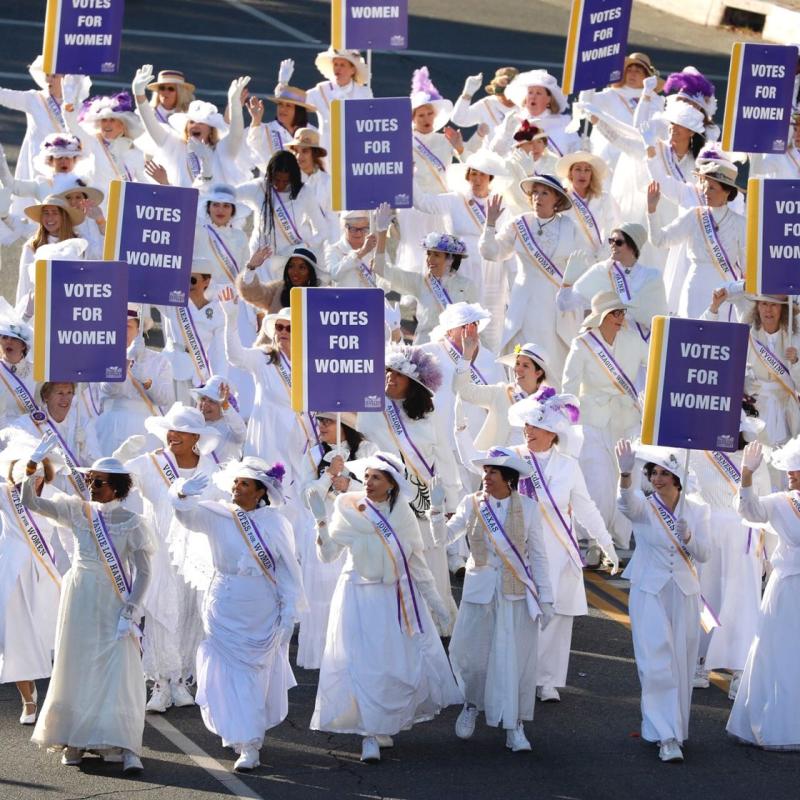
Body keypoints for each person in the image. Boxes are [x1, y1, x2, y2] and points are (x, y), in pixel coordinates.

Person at [309, 452, 462, 763]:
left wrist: (439, 605)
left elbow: (417, 566)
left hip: (392, 601)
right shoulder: (349, 507)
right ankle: (368, 734)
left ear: (392, 485)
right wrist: (320, 523)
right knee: (361, 665)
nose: (367, 482)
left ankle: (382, 724)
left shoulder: (403, 517)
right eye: (366, 476)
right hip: (357, 597)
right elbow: (328, 556)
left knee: (391, 666)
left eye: (376, 477)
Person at [23, 449, 154, 774]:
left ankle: (125, 745)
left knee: (117, 671)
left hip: (113, 601)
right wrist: (32, 470)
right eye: (91, 480)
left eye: (100, 482)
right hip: (79, 596)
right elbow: (32, 504)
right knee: (77, 665)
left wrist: (131, 610)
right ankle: (75, 739)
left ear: (117, 487)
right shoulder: (78, 510)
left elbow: (144, 572)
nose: (92, 486)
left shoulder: (133, 522)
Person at [169, 457, 304, 771]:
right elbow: (185, 517)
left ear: (260, 491)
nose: (236, 488)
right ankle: (237, 730)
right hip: (224, 605)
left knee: (253, 676)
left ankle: (251, 744)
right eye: (235, 482)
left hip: (260, 607)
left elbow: (285, 572)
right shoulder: (218, 515)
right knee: (225, 674)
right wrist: (181, 494)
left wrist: (287, 615)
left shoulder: (275, 523)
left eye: (244, 484)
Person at [435, 446, 554, 751]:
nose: (486, 476)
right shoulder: (471, 503)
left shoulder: (528, 508)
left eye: (493, 472)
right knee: (469, 655)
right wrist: (435, 514)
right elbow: (444, 539)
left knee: (512, 661)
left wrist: (547, 598)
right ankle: (472, 704)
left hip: (514, 594)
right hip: (480, 591)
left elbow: (538, 556)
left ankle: (513, 725)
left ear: (508, 478)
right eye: (485, 471)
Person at [508, 389, 618, 699]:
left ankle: (547, 680)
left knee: (555, 616)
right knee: (522, 613)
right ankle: (518, 673)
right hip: (521, 547)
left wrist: (607, 546)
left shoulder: (568, 466)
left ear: (552, 432)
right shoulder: (513, 458)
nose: (527, 431)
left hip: (558, 550)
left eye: (534, 426)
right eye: (526, 425)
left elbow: (586, 508)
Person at [121, 403, 221, 714]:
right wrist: (122, 455)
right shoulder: (149, 463)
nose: (173, 435)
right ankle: (160, 683)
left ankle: (181, 679)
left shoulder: (210, 469)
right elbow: (114, 479)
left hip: (198, 551)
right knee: (162, 610)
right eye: (170, 430)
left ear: (196, 437)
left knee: (190, 611)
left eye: (181, 431)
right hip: (159, 550)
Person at [615, 439, 710, 763]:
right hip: (649, 591)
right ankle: (665, 735)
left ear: (677, 477)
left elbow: (705, 554)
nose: (656, 479)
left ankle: (675, 729)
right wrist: (625, 475)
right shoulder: (645, 505)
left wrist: (689, 538)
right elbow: (626, 505)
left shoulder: (697, 509)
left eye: (663, 473)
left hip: (684, 592)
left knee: (680, 664)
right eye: (652, 473)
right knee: (656, 662)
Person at [357, 345, 463, 632]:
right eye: (387, 372)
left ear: (413, 384)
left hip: (424, 501)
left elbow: (444, 457)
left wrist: (452, 501)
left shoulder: (429, 416)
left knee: (429, 564)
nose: (390, 377)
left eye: (397, 374)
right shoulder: (373, 407)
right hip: (387, 499)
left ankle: (436, 622)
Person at [689, 408, 771, 695]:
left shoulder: (755, 462)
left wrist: (769, 555)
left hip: (745, 537)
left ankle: (740, 669)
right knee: (706, 596)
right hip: (709, 531)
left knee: (741, 602)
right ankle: (700, 659)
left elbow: (764, 508)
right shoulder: (699, 454)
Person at [728, 439, 800, 750]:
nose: (791, 476)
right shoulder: (781, 502)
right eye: (789, 471)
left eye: (796, 471)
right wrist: (746, 475)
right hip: (786, 588)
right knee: (779, 653)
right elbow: (749, 510)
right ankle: (777, 725)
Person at [563, 292, 648, 551]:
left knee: (627, 479)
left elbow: (658, 365)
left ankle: (619, 540)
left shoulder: (634, 341)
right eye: (615, 313)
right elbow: (569, 387)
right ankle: (591, 539)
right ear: (600, 317)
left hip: (627, 419)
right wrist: (569, 425)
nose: (620, 318)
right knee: (598, 481)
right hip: (592, 421)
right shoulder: (582, 345)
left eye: (622, 312)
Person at [295, 411, 377, 669]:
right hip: (325, 529)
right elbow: (304, 497)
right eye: (319, 420)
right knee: (324, 591)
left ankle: (356, 653)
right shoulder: (313, 454)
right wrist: (327, 476)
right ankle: (328, 659)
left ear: (345, 423)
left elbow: (380, 490)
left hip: (358, 530)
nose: (321, 426)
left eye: (328, 421)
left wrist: (349, 486)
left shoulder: (367, 449)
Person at [479, 174, 581, 373]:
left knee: (554, 357)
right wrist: (490, 223)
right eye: (535, 192)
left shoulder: (569, 227)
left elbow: (582, 264)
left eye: (544, 193)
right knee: (523, 355)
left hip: (554, 304)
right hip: (523, 302)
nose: (538, 197)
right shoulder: (520, 223)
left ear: (557, 200)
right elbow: (491, 252)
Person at [411, 150, 511, 349]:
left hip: (491, 267)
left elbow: (507, 241)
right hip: (461, 265)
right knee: (461, 312)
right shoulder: (456, 200)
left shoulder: (501, 203)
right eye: (473, 173)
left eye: (482, 174)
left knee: (491, 317)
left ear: (490, 177)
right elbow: (423, 203)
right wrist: (410, 175)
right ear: (468, 176)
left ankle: (486, 365)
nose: (477, 179)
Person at [0, 433, 64, 727]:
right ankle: (28, 699)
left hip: (44, 576)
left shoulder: (53, 497)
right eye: (29, 470)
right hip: (11, 572)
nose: (35, 478)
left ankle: (61, 700)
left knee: (53, 636)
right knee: (14, 638)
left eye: (39, 472)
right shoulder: (5, 495)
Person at [705, 293, 800, 485]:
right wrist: (714, 308)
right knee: (756, 461)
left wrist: (796, 362)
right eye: (764, 304)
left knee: (785, 463)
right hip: (754, 410)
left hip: (786, 411)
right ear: (757, 308)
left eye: (774, 305)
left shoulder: (794, 338)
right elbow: (711, 341)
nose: (768, 310)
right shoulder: (745, 335)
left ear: (782, 310)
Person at [647, 158, 745, 320]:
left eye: (712, 188)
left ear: (727, 192)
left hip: (725, 294)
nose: (705, 192)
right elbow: (659, 240)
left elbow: (746, 274)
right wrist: (652, 210)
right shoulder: (694, 216)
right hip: (695, 289)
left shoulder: (741, 224)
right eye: (704, 186)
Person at [133, 64, 250, 188]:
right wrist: (139, 94)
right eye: (192, 122)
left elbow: (236, 134)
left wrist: (234, 104)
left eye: (200, 123)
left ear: (211, 130)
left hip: (213, 207)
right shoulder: (174, 145)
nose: (195, 126)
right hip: (181, 205)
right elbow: (150, 122)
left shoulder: (222, 149)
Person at [558, 222, 667, 346]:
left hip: (639, 346)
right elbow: (564, 304)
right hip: (607, 346)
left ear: (633, 245)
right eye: (611, 241)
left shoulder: (652, 276)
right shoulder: (600, 271)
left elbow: (657, 320)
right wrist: (567, 283)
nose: (613, 245)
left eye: (619, 242)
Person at [375, 219, 478, 345]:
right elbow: (380, 269)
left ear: (450, 259)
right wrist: (381, 234)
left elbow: (476, 325)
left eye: (436, 255)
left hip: (454, 349)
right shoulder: (420, 281)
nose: (430, 259)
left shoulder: (466, 285)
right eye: (428, 254)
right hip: (425, 347)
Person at [95, 306, 175, 455]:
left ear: (139, 330)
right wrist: (127, 359)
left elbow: (165, 398)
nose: (121, 331)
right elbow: (109, 388)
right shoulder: (104, 355)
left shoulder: (160, 360)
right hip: (113, 425)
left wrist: (147, 382)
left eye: (127, 326)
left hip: (146, 427)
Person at [0, 55, 90, 183]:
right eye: (47, 75)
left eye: (54, 76)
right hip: (38, 168)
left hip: (68, 168)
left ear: (67, 79)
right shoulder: (34, 99)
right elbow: (3, 95)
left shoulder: (78, 106)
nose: (48, 80)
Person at [457, 342, 557, 451]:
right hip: (496, 464)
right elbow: (462, 390)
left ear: (538, 373)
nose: (518, 369)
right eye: (517, 363)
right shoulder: (501, 392)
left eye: (525, 365)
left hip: (530, 465)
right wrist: (466, 356)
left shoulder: (549, 404)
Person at [237, 150, 327, 269]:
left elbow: (323, 230)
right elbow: (227, 195)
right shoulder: (259, 187)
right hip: (260, 261)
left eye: (286, 181)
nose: (280, 185)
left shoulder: (304, 192)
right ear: (270, 174)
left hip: (289, 261)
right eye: (276, 179)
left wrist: (304, 246)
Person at [281, 49, 371, 152]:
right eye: (335, 64)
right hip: (327, 150)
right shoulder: (322, 90)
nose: (338, 68)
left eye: (342, 65)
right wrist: (283, 84)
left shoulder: (364, 93)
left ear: (353, 70)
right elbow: (297, 99)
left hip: (355, 147)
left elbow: (370, 122)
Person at [64, 92, 146, 191]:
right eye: (104, 120)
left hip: (121, 202)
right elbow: (74, 128)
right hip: (98, 201)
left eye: (112, 120)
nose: (107, 125)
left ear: (122, 125)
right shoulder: (93, 142)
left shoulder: (135, 151)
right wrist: (69, 110)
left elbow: (143, 182)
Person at [490, 69, 577, 157]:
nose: (533, 97)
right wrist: (506, 133)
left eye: (538, 93)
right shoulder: (513, 120)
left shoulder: (563, 124)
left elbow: (575, 153)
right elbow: (495, 153)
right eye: (530, 92)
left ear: (549, 99)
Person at [18, 195, 84, 307]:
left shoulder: (79, 244)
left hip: (71, 308)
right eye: (46, 213)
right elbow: (25, 286)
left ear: (64, 216)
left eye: (54, 213)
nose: (50, 218)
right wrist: (22, 318)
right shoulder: (32, 246)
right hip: (41, 308)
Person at [556, 151, 621, 263]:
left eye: (587, 170)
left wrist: (604, 252)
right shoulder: (562, 198)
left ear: (592, 174)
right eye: (578, 169)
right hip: (570, 261)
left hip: (599, 258)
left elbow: (613, 227)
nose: (583, 174)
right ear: (570, 173)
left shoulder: (604, 198)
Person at [236, 245, 323, 315]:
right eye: (291, 266)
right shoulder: (278, 289)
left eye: (302, 267)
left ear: (311, 272)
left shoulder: (320, 297)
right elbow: (253, 293)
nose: (295, 272)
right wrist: (251, 267)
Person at [245, 83, 313, 165]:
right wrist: (256, 119)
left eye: (288, 105)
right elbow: (253, 144)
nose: (283, 109)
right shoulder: (266, 129)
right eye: (280, 104)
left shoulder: (312, 132)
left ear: (299, 111)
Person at [191, 376, 247, 464]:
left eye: (212, 401)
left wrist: (225, 405)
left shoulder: (231, 427)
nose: (205, 404)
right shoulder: (194, 425)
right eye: (203, 399)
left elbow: (241, 433)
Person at [450, 68, 518, 135]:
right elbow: (458, 119)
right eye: (501, 90)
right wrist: (467, 93)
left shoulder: (526, 105)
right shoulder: (486, 104)